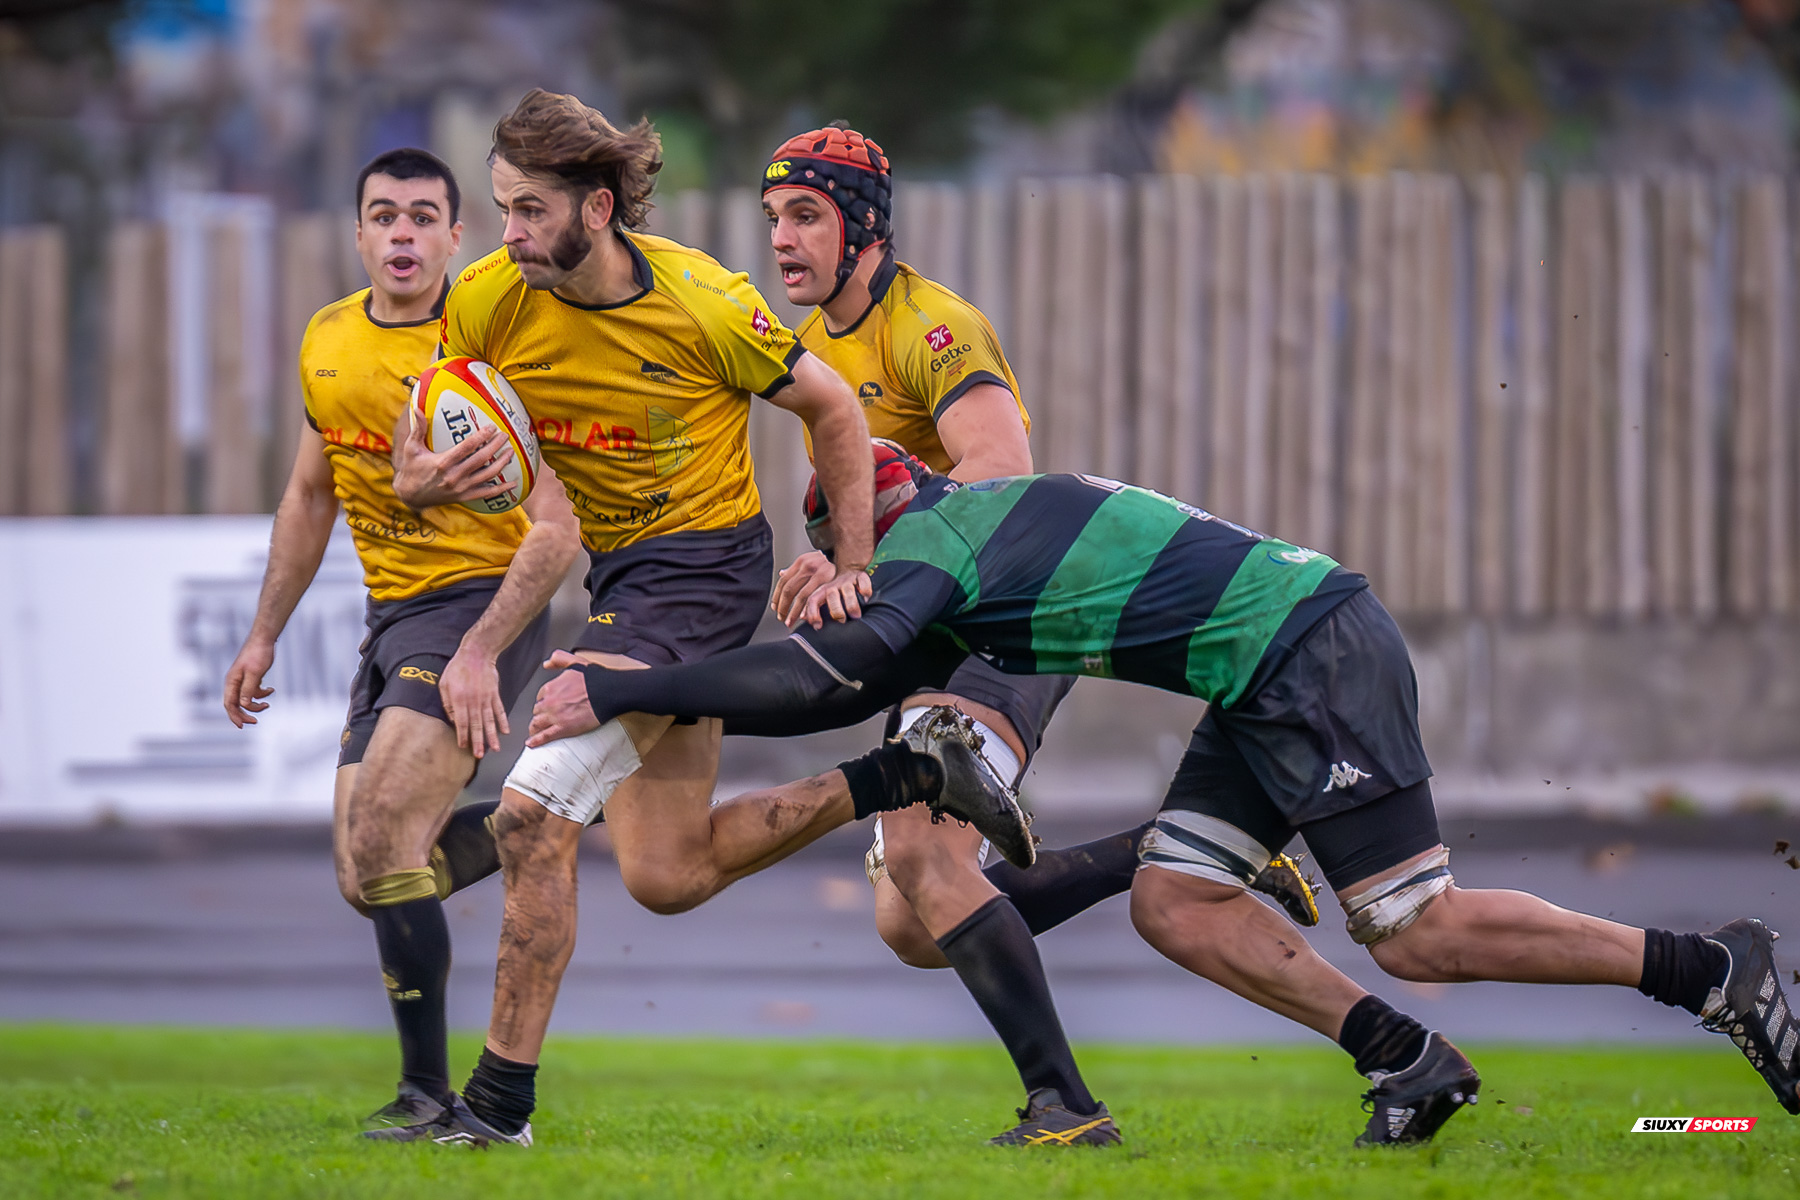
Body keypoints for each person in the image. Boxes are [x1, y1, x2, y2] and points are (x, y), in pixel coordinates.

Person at [529, 447, 1800, 1146]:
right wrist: (684, 685)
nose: (840, 570)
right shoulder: (965, 538)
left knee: (1420, 928)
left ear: (863, 519)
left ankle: (1708, 967)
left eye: (836, 546)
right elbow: (840, 685)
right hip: (1263, 666)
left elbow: (834, 673)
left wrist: (630, 688)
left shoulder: (933, 537)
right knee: (1173, 902)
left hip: (1311, 651)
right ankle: (1403, 1060)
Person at [372, 90, 1029, 1148]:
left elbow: (835, 408)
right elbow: (420, 449)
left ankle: (495, 1110)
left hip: (707, 575)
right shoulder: (492, 296)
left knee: (538, 813)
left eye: (529, 210)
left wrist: (853, 563)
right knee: (667, 873)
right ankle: (904, 775)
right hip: (622, 575)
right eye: (501, 208)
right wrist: (428, 477)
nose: (507, 235)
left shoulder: (705, 302)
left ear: (596, 208)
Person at [752, 123, 1142, 1145]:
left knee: (923, 863)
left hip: (1013, 613)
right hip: (942, 617)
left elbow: (1000, 470)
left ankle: (1066, 1108)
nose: (783, 239)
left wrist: (860, 563)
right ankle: (1173, 849)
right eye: (773, 219)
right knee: (910, 923)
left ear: (864, 224)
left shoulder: (931, 326)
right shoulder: (811, 342)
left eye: (806, 215)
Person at [222, 147, 582, 1132]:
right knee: (364, 871)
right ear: (358, 233)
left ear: (457, 238)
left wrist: (478, 649)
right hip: (391, 616)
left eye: (424, 217)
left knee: (385, 841)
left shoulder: (491, 349)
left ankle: (428, 1093)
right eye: (384, 216)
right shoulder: (328, 341)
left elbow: (560, 530)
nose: (402, 235)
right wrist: (262, 637)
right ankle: (531, 826)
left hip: (479, 606)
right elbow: (308, 496)